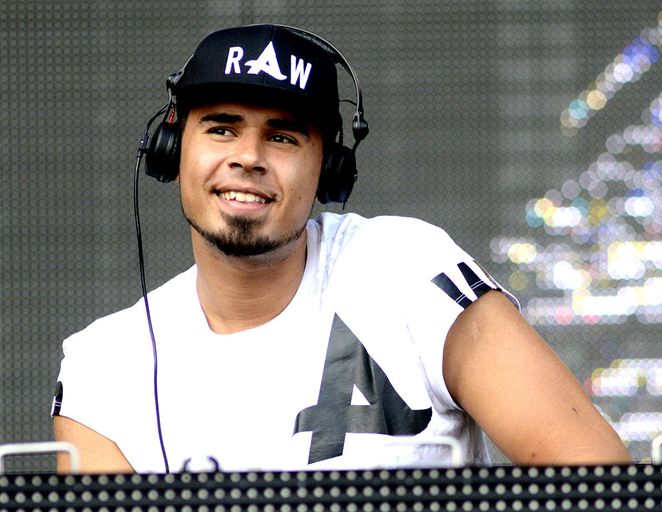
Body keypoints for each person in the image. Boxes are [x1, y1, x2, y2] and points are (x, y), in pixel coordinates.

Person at [51, 24, 631, 474]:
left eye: (282, 136)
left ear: (328, 168)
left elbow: (593, 471)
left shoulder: (407, 269)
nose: (248, 157)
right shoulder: (104, 365)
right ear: (171, 148)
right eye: (222, 128)